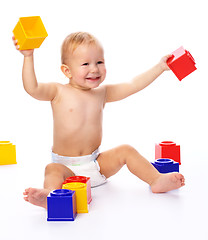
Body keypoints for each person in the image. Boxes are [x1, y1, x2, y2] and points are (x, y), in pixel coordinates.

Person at [13, 32, 185, 209]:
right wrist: (28, 56)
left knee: (126, 150)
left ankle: (156, 179)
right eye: (85, 64)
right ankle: (52, 195)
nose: (94, 69)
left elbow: (133, 85)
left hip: (97, 165)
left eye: (99, 62)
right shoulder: (57, 91)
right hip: (66, 168)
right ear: (67, 71)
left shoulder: (102, 93)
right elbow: (32, 88)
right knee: (51, 170)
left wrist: (159, 67)